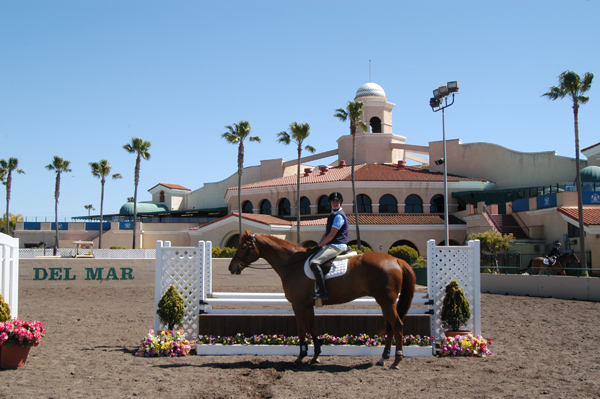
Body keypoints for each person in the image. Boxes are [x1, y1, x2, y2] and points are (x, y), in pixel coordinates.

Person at [309, 192, 349, 300]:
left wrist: (320, 246)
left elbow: (331, 235)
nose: (335, 204)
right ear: (330, 203)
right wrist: (318, 245)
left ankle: (323, 292)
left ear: (340, 203)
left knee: (314, 262)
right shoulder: (332, 215)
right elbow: (326, 233)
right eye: (333, 202)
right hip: (331, 244)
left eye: (337, 202)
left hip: (337, 245)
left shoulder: (339, 217)